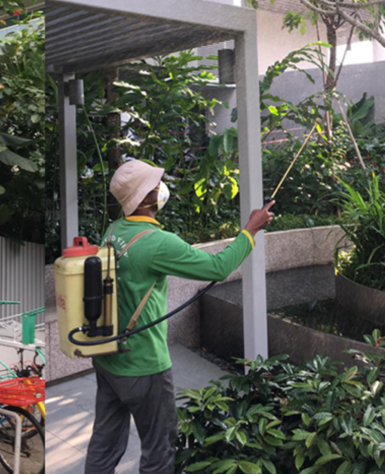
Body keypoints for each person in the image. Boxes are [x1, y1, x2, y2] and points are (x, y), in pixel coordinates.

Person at [84, 159, 275, 474]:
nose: (162, 188)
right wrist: (250, 230)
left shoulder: (113, 230)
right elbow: (217, 268)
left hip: (109, 358)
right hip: (145, 365)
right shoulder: (158, 243)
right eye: (156, 184)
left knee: (104, 446)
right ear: (146, 198)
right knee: (159, 451)